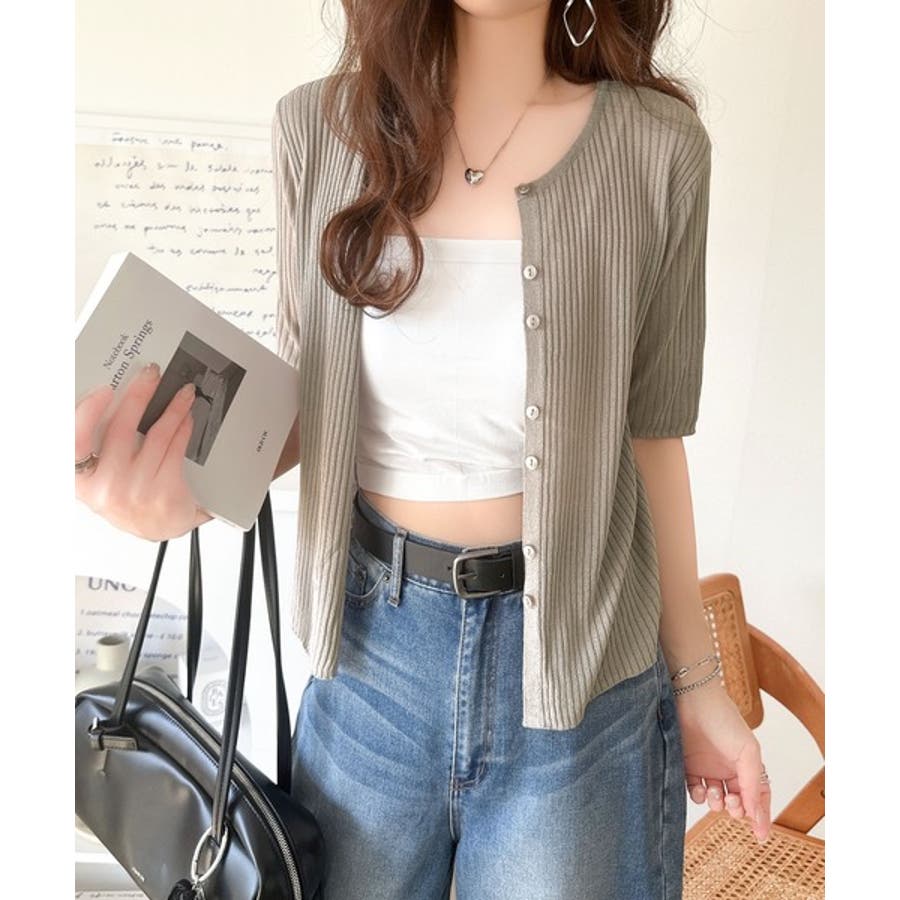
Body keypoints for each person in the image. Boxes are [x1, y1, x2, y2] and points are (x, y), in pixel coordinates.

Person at [75, 2, 772, 897]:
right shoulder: (317, 130)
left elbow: (652, 434)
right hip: (371, 663)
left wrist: (700, 686)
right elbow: (314, 405)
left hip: (582, 673)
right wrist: (183, 492)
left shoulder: (659, 149)